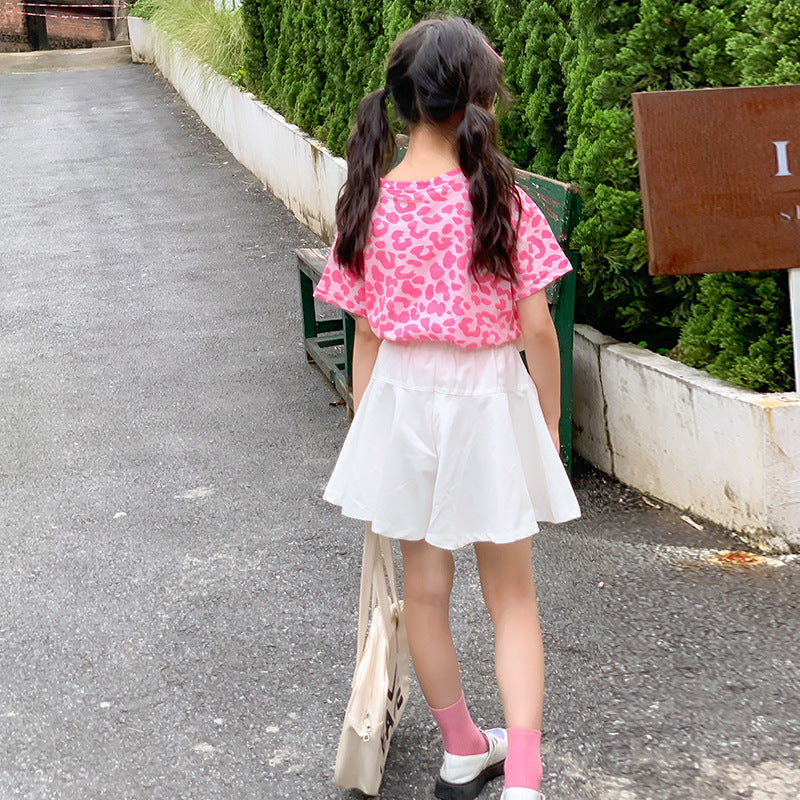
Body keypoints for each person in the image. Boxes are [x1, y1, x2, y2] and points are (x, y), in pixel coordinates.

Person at [315, 16, 580, 800]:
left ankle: (464, 747)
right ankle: (523, 780)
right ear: (475, 101)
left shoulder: (368, 200)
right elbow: (537, 327)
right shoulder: (498, 198)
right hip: (485, 403)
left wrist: (371, 437)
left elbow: (362, 334)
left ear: (402, 102)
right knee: (512, 598)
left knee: (424, 594)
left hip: (401, 403)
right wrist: (548, 426)